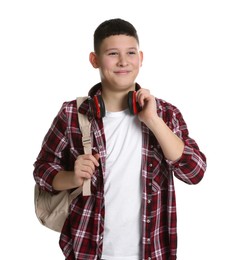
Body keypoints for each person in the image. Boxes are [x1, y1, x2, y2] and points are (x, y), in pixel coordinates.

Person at [33, 18, 207, 260]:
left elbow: (195, 172)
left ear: (141, 58)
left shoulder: (165, 113)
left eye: (131, 53)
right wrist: (72, 177)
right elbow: (42, 171)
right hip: (88, 250)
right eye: (113, 53)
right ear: (94, 60)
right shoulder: (72, 114)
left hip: (152, 252)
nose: (123, 61)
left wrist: (153, 121)